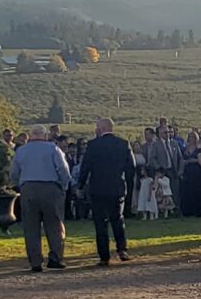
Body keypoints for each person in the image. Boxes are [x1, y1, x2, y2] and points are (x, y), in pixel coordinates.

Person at [12, 125, 73, 271]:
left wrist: (21, 185)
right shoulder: (53, 149)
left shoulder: (21, 150)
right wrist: (63, 186)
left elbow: (14, 173)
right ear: (45, 136)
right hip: (50, 188)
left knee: (31, 226)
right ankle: (55, 257)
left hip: (28, 188)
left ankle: (35, 261)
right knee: (54, 224)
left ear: (31, 135)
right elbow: (63, 170)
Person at [80, 116, 136, 266]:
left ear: (102, 128)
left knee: (100, 223)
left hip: (97, 188)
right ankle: (122, 249)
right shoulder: (123, 144)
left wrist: (80, 185)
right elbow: (131, 166)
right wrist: (126, 182)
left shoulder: (93, 145)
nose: (95, 130)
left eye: (97, 127)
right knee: (118, 219)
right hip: (116, 187)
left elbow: (85, 167)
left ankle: (104, 256)